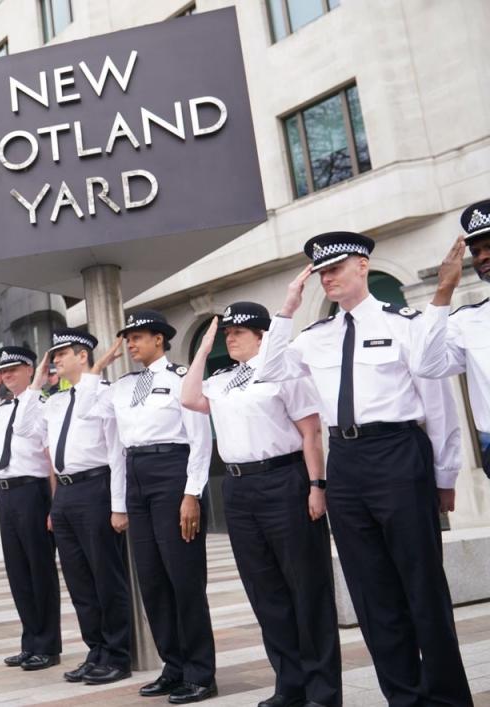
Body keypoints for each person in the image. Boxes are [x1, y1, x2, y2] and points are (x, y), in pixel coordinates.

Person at [257, 232, 472, 706]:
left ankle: (449, 699)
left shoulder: (405, 323)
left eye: (334, 268)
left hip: (399, 453)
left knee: (422, 586)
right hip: (347, 462)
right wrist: (287, 309)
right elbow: (268, 370)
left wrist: (446, 476)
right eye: (320, 272)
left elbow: (439, 406)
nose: (327, 279)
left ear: (362, 265)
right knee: (372, 594)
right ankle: (404, 698)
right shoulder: (316, 336)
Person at [181, 303, 342, 707]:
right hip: (239, 489)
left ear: (262, 335)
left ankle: (322, 692)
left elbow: (311, 434)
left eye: (240, 331)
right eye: (227, 332)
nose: (230, 337)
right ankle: (290, 684)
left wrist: (317, 487)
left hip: (285, 481)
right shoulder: (221, 380)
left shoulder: (283, 371)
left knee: (307, 589)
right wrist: (201, 350)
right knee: (265, 592)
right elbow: (189, 398)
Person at [85, 310, 216, 703]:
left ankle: (200, 673)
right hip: (137, 475)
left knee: (185, 580)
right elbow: (90, 411)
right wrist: (100, 365)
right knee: (153, 581)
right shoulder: (121, 387)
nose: (130, 344)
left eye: (137, 337)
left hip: (173, 473)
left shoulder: (180, 380)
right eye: (126, 339)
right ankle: (173, 666)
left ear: (159, 339)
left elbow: (200, 439)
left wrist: (192, 493)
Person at [19, 329, 132, 686]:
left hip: (96, 488)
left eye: (62, 353)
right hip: (66, 494)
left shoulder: (103, 394)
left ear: (82, 356)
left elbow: (116, 452)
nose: (55, 360)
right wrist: (37, 382)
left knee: (106, 576)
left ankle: (117, 654)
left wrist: (118, 505)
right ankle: (96, 650)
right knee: (80, 580)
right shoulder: (55, 400)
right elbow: (24, 428)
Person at [0, 346, 62, 671]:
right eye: (3, 372)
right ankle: (30, 642)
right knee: (18, 572)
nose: (6, 376)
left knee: (40, 571)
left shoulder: (41, 406)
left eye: (13, 371)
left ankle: (48, 646)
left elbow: (50, 460)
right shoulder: (2, 409)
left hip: (34, 491)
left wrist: (54, 503)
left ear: (29, 370)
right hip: (8, 495)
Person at [411, 199, 490, 478]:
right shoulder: (468, 320)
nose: (482, 257)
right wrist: (444, 290)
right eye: (477, 250)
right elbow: (426, 366)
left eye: (489, 247)